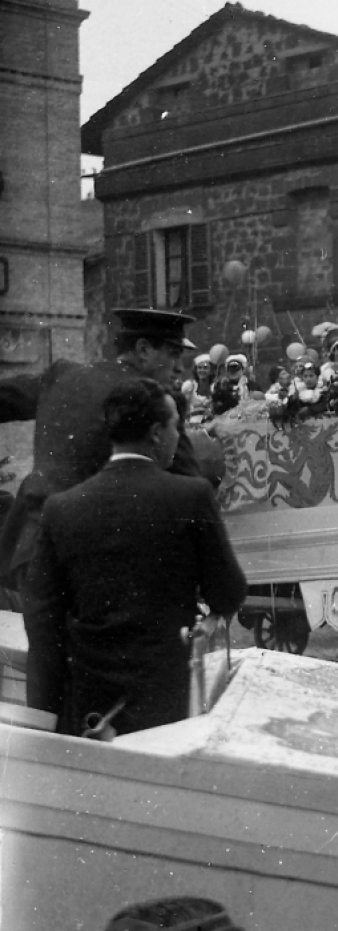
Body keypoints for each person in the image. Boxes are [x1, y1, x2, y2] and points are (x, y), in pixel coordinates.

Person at [23, 378, 247, 736]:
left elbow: (42, 619)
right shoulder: (190, 496)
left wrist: (45, 712)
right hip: (167, 704)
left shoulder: (61, 508)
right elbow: (229, 592)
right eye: (177, 426)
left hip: (88, 708)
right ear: (157, 433)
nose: (179, 436)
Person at [0, 308, 203, 611]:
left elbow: (6, 398)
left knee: (45, 652)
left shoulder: (63, 375)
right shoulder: (153, 401)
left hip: (33, 548)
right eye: (173, 354)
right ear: (143, 349)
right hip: (100, 561)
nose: (179, 369)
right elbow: (190, 487)